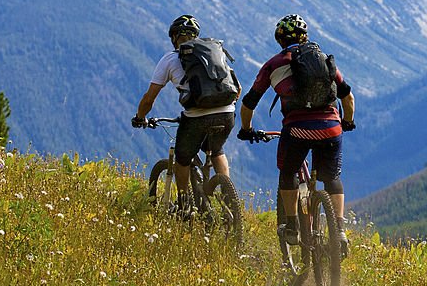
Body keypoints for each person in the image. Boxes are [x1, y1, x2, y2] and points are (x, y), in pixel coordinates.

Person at [237, 14, 355, 255]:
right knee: (331, 178)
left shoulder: (273, 65)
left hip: (297, 130)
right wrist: (347, 121)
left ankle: (291, 226)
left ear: (280, 40)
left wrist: (246, 129)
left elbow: (249, 103)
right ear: (305, 37)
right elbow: (347, 96)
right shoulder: (323, 59)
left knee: (288, 172)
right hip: (331, 128)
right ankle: (340, 229)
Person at [132, 15, 239, 217]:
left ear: (174, 38)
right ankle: (228, 201)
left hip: (196, 116)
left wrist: (140, 117)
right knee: (216, 150)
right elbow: (236, 87)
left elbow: (149, 97)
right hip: (227, 112)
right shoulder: (214, 52)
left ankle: (184, 205)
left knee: (182, 159)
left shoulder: (170, 59)